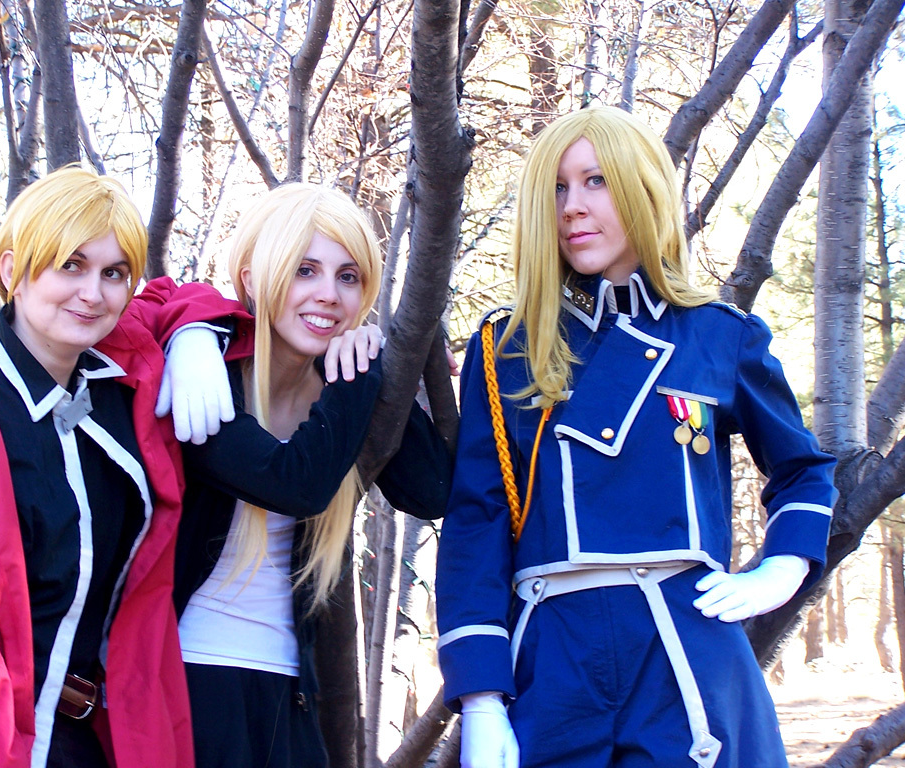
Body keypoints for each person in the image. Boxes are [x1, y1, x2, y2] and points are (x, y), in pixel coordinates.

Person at [435, 107, 837, 768]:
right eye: (557, 188)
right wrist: (480, 696)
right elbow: (478, 520)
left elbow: (804, 470)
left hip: (685, 645)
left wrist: (783, 566)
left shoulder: (718, 334)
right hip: (552, 653)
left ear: (643, 189)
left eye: (596, 180)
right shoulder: (504, 347)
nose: (573, 205)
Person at [0, 167, 251, 768]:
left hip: (108, 735)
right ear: (12, 270)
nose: (93, 294)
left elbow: (175, 299)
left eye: (114, 273)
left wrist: (197, 336)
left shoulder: (117, 372)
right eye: (70, 265)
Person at [164, 183, 451, 768]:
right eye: (305, 270)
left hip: (291, 696)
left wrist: (386, 365)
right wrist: (190, 332)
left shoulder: (338, 382)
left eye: (348, 277)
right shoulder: (208, 374)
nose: (329, 295)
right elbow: (296, 485)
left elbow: (431, 492)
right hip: (188, 683)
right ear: (253, 278)